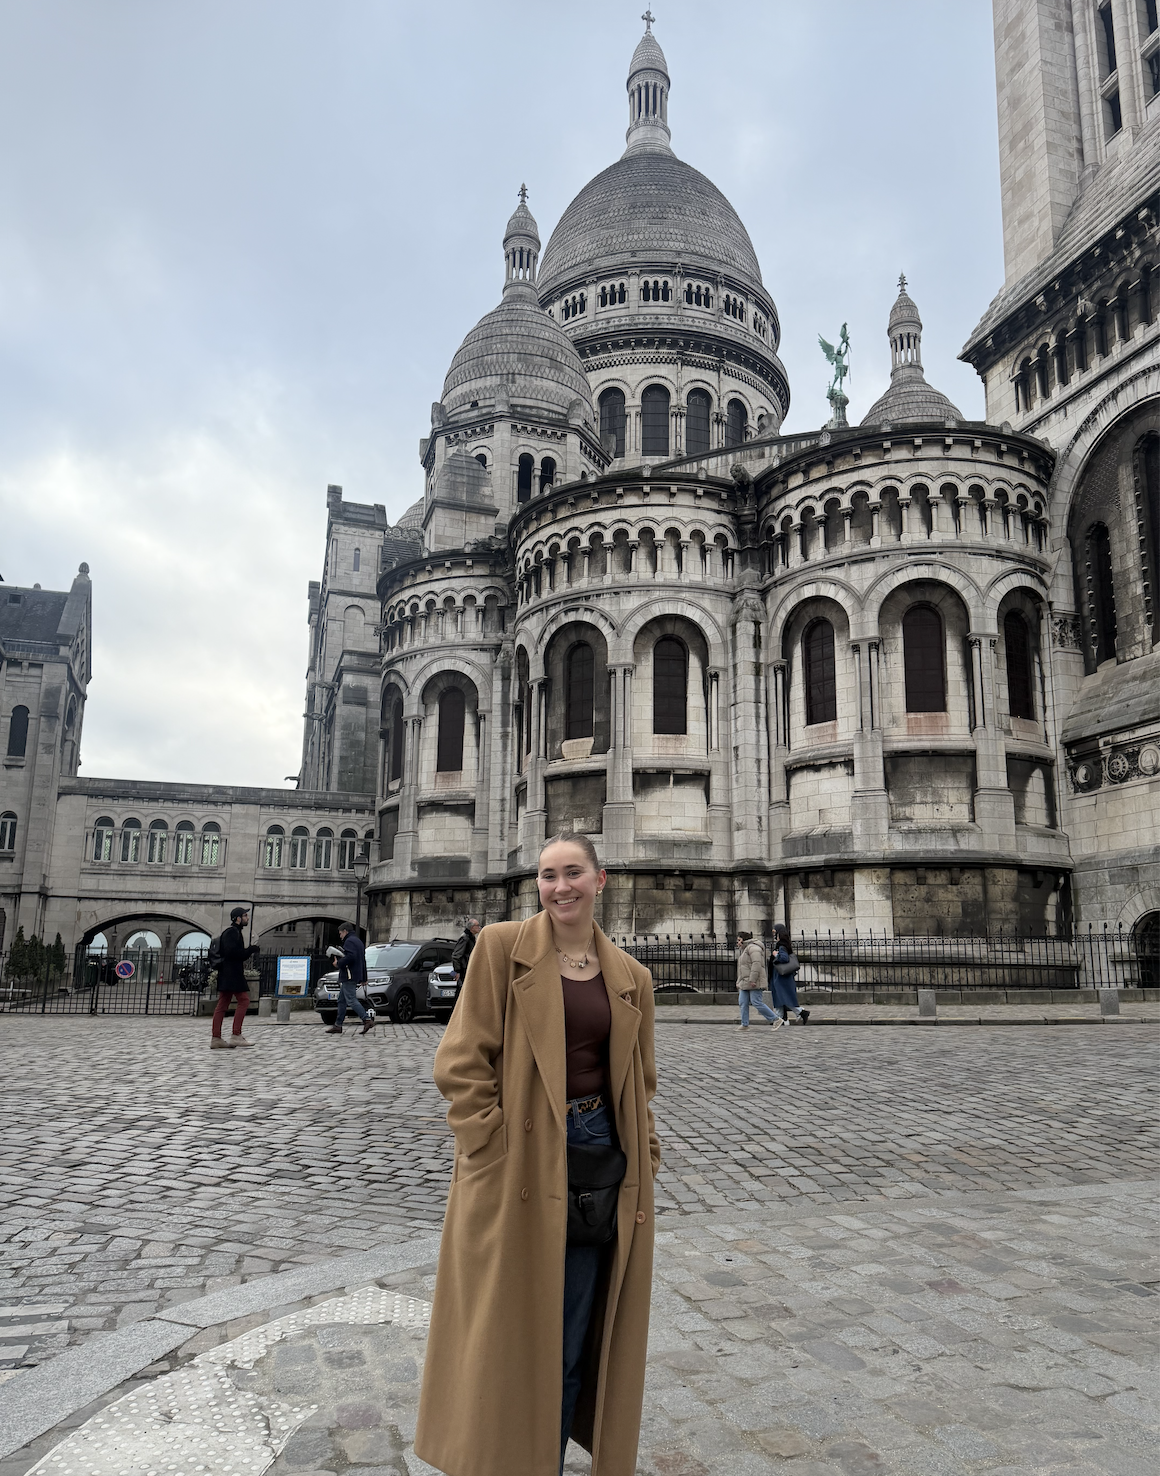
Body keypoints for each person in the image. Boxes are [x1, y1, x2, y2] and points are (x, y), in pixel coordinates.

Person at [414, 832, 660, 1476]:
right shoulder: (500, 949)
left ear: (599, 881)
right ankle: (497, 1455)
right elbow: (462, 1060)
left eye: (572, 873)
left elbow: (642, 1079)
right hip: (519, 1157)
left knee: (573, 1332)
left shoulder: (631, 976)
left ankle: (543, 1462)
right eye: (548, 876)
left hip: (597, 1158)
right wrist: (486, 1147)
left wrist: (646, 1152)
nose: (560, 887)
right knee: (507, 1329)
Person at [211, 906, 259, 1050]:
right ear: (238, 918)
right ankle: (236, 1035)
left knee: (222, 1005)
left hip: (227, 973)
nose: (247, 918)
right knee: (244, 1001)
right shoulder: (232, 933)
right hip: (232, 974)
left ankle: (216, 1038)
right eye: (244, 916)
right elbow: (233, 953)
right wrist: (250, 950)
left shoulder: (233, 932)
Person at [325, 922, 374, 1035]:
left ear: (345, 931)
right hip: (354, 974)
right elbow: (362, 960)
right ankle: (338, 1025)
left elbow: (350, 957)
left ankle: (366, 1019)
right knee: (341, 1000)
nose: (340, 935)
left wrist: (339, 963)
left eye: (341, 933)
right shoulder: (358, 941)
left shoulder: (349, 941)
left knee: (351, 999)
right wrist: (364, 977)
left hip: (349, 975)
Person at [735, 931, 783, 1031]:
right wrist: (739, 981)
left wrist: (752, 979)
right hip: (745, 981)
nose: (738, 943)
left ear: (744, 940)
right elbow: (743, 968)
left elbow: (756, 964)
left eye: (739, 940)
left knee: (756, 1002)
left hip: (753, 981)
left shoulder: (754, 948)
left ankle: (776, 1019)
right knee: (742, 1002)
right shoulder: (746, 949)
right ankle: (744, 1024)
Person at [770, 923, 810, 1024]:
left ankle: (797, 1013)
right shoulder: (784, 944)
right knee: (781, 997)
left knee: (782, 997)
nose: (774, 935)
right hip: (779, 976)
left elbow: (784, 958)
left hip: (780, 976)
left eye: (775, 933)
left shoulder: (781, 945)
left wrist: (776, 955)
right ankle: (782, 1018)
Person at [450, 916, 481, 983]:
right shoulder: (465, 938)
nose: (479, 927)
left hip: (469, 968)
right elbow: (456, 955)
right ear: (472, 928)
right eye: (477, 926)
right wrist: (458, 971)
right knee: (462, 990)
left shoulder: (471, 937)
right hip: (464, 970)